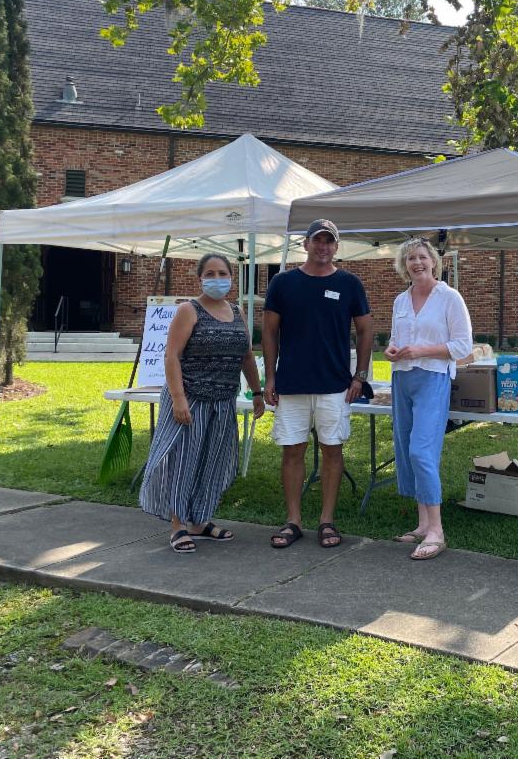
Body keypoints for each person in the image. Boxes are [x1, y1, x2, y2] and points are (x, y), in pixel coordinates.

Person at [139, 253, 264, 554]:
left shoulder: (237, 311)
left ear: (231, 278)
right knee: (185, 461)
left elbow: (246, 356)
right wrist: (179, 399)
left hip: (223, 401)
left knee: (212, 461)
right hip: (190, 400)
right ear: (200, 278)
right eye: (210, 273)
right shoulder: (189, 310)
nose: (217, 279)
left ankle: (200, 521)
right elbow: (171, 356)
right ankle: (178, 525)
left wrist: (258, 392)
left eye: (222, 273)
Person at [263, 219, 373, 549]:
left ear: (336, 246)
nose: (323, 247)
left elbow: (366, 330)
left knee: (332, 451)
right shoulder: (282, 282)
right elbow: (269, 332)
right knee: (292, 451)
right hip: (291, 384)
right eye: (317, 240)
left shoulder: (349, 283)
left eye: (329, 241)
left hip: (335, 385)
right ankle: (293, 521)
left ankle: (327, 520)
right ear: (306, 244)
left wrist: (360, 376)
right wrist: (270, 377)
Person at [384, 237, 473, 560]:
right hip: (402, 379)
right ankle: (422, 524)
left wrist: (421, 351)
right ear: (404, 265)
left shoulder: (450, 298)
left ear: (434, 261)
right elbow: (395, 339)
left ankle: (437, 530)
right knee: (406, 450)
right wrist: (391, 350)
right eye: (410, 259)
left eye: (422, 257)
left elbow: (462, 346)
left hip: (433, 379)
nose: (417, 263)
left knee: (422, 450)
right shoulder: (400, 300)